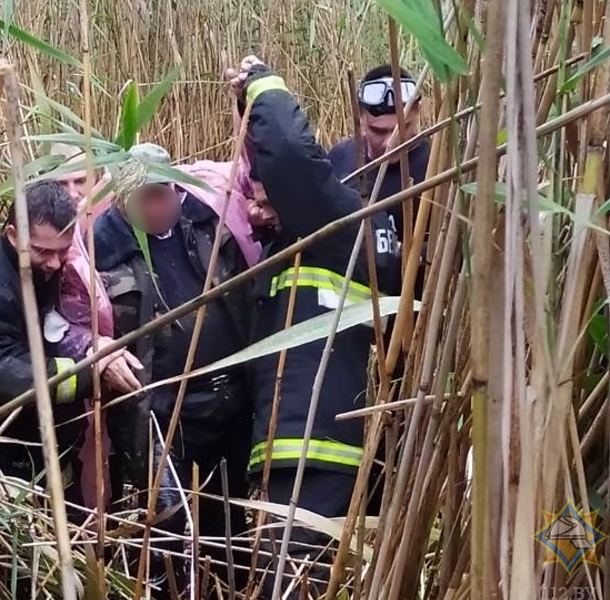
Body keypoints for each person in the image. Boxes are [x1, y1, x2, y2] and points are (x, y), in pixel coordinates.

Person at [224, 56, 401, 599]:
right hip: (316, 449)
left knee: (290, 586)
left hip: (313, 453)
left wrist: (263, 85)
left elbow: (293, 156)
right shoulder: (340, 232)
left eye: (262, 187)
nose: (253, 199)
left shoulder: (336, 220)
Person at [88, 142, 256, 598]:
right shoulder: (99, 250)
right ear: (122, 199)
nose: (160, 205)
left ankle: (232, 587)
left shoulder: (208, 222)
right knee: (167, 522)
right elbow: (83, 325)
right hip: (160, 413)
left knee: (229, 512)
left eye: (165, 192)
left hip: (230, 399)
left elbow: (245, 293)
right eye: (146, 195)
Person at [0, 180, 137, 517]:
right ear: (13, 235)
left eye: (63, 250)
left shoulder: (40, 271)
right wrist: (87, 373)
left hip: (44, 452)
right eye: (43, 251)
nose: (56, 263)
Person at [329, 64, 431, 299]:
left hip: (413, 319)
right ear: (361, 117)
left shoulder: (435, 167)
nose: (390, 143)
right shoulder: (340, 160)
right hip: (347, 315)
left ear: (418, 111)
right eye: (378, 131)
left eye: (403, 129)